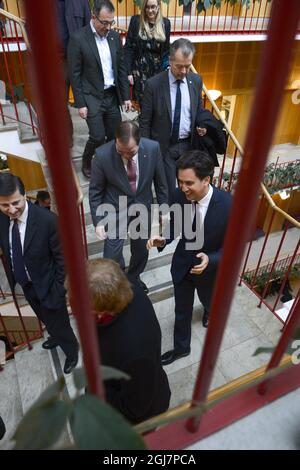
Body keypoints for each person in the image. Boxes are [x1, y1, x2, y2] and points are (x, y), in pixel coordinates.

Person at [147, 151, 232, 365]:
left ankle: (209, 311)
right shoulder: (178, 195)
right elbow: (177, 224)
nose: (182, 188)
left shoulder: (230, 206)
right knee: (181, 310)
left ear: (206, 180)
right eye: (179, 182)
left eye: (188, 183)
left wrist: (211, 260)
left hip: (210, 272)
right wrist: (164, 239)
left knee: (209, 301)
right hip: (183, 264)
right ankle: (181, 348)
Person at [0, 174, 78, 374]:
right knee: (45, 318)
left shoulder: (48, 221)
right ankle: (54, 334)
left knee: (61, 325)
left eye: (15, 203)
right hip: (27, 285)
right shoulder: (2, 219)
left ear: (25, 195)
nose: (11, 210)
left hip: (50, 286)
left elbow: (64, 260)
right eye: (4, 205)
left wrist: (59, 290)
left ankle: (72, 351)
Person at [87, 258, 171, 424]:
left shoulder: (134, 351)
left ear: (100, 308)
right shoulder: (125, 284)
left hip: (141, 418)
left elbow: (135, 408)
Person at [89, 121, 168, 293]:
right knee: (111, 255)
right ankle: (118, 278)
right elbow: (95, 191)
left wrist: (164, 208)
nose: (125, 155)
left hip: (142, 208)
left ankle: (134, 277)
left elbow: (161, 182)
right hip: (115, 210)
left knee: (141, 250)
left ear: (139, 143)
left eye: (130, 152)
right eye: (121, 151)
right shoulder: (102, 155)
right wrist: (99, 221)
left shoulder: (153, 148)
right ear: (116, 140)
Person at [68, 0, 131, 178]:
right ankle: (87, 160)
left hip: (111, 95)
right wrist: (80, 103)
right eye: (105, 22)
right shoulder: (78, 38)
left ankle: (108, 164)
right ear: (93, 17)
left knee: (114, 135)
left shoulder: (114, 37)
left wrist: (126, 96)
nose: (109, 26)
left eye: (112, 22)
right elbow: (75, 74)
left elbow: (121, 69)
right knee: (97, 136)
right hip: (91, 97)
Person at [140, 37, 206, 204]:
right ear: (170, 60)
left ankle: (185, 223)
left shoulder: (196, 81)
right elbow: (145, 122)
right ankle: (171, 223)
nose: (184, 71)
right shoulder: (153, 85)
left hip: (188, 146)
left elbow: (199, 110)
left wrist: (202, 125)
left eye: (187, 66)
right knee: (169, 191)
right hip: (165, 148)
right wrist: (147, 152)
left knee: (189, 189)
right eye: (179, 66)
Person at [124, 0, 171, 105]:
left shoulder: (166, 23)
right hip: (140, 70)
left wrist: (167, 67)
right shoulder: (136, 21)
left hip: (158, 71)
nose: (150, 10)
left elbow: (166, 51)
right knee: (143, 103)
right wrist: (129, 72)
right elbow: (128, 48)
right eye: (147, 7)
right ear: (144, 8)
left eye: (153, 7)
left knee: (156, 101)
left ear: (158, 7)